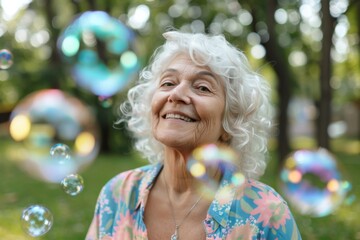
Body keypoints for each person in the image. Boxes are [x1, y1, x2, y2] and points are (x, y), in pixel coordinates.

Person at [86, 30, 302, 240]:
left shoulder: (266, 213)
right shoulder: (118, 193)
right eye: (168, 83)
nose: (176, 94)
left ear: (231, 122)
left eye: (202, 87)